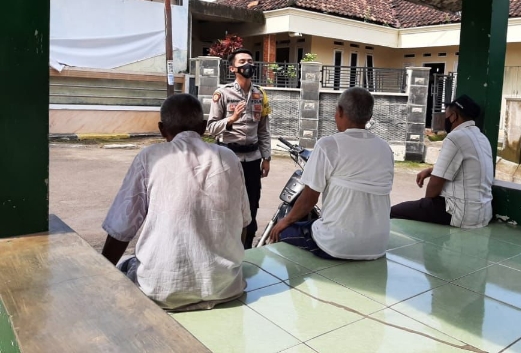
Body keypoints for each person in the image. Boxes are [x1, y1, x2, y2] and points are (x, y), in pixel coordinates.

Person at [101, 93, 251, 311]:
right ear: (203, 127)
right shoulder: (229, 157)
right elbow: (243, 224)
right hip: (225, 287)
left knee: (127, 265)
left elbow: (121, 228)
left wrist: (100, 273)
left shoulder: (150, 157)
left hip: (162, 291)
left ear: (162, 129)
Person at [269, 87, 395, 260]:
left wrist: (285, 221)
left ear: (340, 112)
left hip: (336, 245)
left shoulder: (328, 145)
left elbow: (309, 199)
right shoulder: (385, 148)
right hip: (378, 245)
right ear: (370, 116)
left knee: (282, 230)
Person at [390, 94, 493, 228]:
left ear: (454, 116)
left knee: (392, 212)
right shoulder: (482, 138)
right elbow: (468, 167)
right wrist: (431, 170)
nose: (445, 120)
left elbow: (435, 183)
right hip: (483, 214)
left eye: (446, 116)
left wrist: (426, 206)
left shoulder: (455, 137)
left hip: (460, 213)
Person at [207, 48, 272, 249]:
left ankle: (247, 249)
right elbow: (211, 128)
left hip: (252, 159)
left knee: (252, 204)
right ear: (233, 68)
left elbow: (264, 130)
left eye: (250, 61)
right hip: (228, 157)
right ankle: (225, 247)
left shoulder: (260, 94)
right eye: (242, 61)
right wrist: (231, 119)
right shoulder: (222, 93)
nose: (248, 65)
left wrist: (267, 158)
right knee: (225, 204)